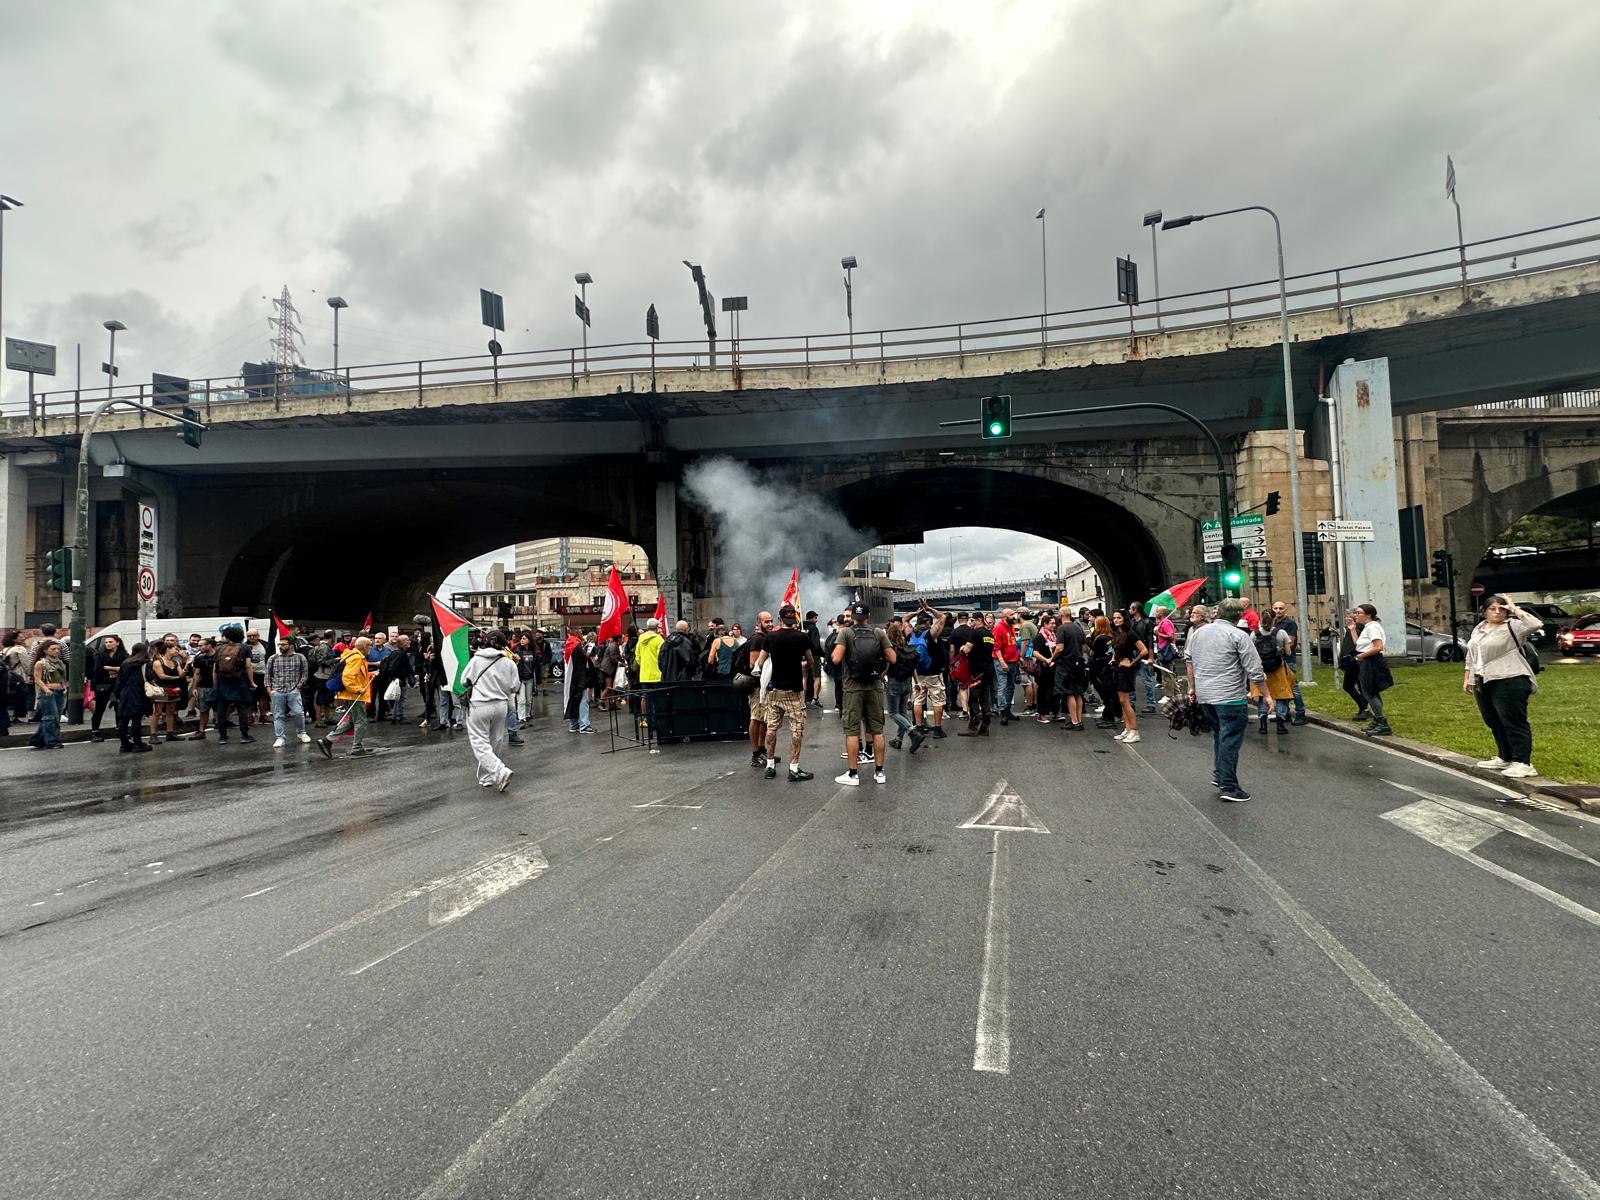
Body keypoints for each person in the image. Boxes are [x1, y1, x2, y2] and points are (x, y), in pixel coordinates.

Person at [1185, 599, 1267, 802]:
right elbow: (1255, 670)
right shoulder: (1239, 635)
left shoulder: (1199, 633)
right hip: (1230, 697)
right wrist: (1267, 695)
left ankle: (1220, 775)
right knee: (1229, 740)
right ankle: (1229, 786)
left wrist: (1192, 688)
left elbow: (1189, 661)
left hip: (1205, 696)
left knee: (1220, 736)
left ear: (1217, 613)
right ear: (1239, 616)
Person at [1464, 595, 1543, 779]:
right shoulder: (1479, 628)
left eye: (1501, 608)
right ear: (1484, 611)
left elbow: (1535, 624)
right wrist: (1468, 675)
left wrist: (1514, 608)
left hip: (1510, 678)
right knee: (1493, 720)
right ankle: (1505, 756)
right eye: (1492, 608)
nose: (1497, 612)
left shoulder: (1513, 626)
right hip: (1483, 679)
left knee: (1513, 720)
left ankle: (1523, 762)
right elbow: (1472, 653)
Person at [831, 603, 894, 785]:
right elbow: (893, 658)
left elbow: (835, 658)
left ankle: (852, 774)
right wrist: (881, 671)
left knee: (852, 730)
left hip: (852, 686)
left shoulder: (846, 633)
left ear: (853, 616)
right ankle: (880, 773)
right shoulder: (879, 633)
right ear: (868, 616)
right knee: (877, 729)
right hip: (874, 685)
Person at [753, 604, 816, 781]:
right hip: (794, 691)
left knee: (771, 729)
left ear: (780, 619)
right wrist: (801, 664)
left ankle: (770, 766)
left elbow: (759, 662)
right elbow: (810, 661)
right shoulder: (802, 637)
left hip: (774, 691)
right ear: (794, 619)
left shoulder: (770, 638)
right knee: (796, 731)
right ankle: (794, 769)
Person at [462, 629, 520, 791]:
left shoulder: (476, 660)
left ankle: (499, 771)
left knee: (480, 743)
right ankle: (487, 777)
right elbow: (515, 686)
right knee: (495, 740)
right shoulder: (509, 662)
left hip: (479, 704)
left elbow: (464, 680)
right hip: (501, 705)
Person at [318, 636, 374, 758]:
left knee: (351, 721)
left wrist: (370, 674)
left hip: (349, 694)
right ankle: (357, 747)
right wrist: (357, 689)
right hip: (354, 695)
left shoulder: (352, 656)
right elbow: (348, 677)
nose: (371, 648)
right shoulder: (357, 658)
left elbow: (356, 674)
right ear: (365, 647)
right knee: (361, 721)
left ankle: (327, 740)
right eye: (370, 645)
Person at [1350, 603, 1394, 737]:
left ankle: (1382, 722)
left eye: (1359, 613)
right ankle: (1377, 719)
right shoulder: (1367, 628)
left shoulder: (1372, 628)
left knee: (1369, 692)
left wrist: (1360, 656)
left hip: (1371, 662)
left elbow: (1378, 646)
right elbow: (1359, 645)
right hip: (1367, 661)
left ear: (1368, 615)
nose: (1356, 615)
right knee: (1370, 691)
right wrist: (1352, 629)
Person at [884, 615, 925, 753]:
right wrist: (917, 682)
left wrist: (881, 677)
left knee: (893, 713)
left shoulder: (890, 649)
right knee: (902, 712)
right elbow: (912, 666)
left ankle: (913, 732)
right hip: (907, 682)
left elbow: (887, 666)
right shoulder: (906, 647)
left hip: (894, 682)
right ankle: (898, 740)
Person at [1250, 615, 1296, 736]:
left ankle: (1263, 725)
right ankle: (1280, 725)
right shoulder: (1281, 633)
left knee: (1262, 696)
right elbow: (1288, 652)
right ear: (1274, 620)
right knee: (1281, 696)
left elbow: (1251, 652)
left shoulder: (1255, 634)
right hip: (1277, 668)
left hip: (1261, 669)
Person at [212, 625, 258, 744]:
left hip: (222, 682)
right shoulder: (245, 648)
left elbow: (215, 668)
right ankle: (244, 735)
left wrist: (215, 683)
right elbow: (248, 666)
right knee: (242, 708)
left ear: (227, 636)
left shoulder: (219, 649)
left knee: (222, 709)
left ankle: (222, 737)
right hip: (239, 681)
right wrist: (252, 682)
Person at [910, 602, 949, 739]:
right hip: (933, 672)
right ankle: (937, 728)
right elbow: (943, 618)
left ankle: (919, 727)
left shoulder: (911, 633)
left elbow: (903, 620)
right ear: (929, 623)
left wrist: (915, 613)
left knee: (918, 700)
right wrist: (930, 609)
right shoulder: (930, 634)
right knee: (938, 700)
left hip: (917, 673)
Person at [740, 611, 773, 768]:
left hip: (763, 685)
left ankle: (762, 750)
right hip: (756, 686)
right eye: (766, 621)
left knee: (763, 720)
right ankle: (755, 755)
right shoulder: (757, 639)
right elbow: (754, 664)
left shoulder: (764, 638)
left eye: (771, 621)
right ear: (759, 623)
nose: (770, 624)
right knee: (756, 718)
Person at [1109, 609, 1147, 743]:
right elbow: (1116, 649)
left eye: (1119, 618)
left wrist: (1131, 663)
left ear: (1124, 619)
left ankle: (1134, 730)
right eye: (1114, 618)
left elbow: (1144, 650)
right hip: (1118, 668)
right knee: (1122, 701)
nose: (1116, 620)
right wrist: (1114, 658)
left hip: (1126, 670)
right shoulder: (1117, 634)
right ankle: (1127, 728)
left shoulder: (1131, 634)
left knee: (1125, 701)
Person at [266, 635, 311, 748]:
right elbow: (267, 675)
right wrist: (270, 690)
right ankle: (280, 737)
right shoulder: (273, 658)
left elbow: (304, 674)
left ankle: (301, 732)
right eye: (279, 644)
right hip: (277, 690)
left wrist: (298, 687)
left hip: (293, 690)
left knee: (298, 713)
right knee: (278, 715)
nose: (280, 646)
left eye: (283, 644)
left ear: (291, 646)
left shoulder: (300, 657)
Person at [955, 612, 996, 736]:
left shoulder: (976, 633)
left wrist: (962, 648)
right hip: (989, 669)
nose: (970, 623)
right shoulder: (989, 634)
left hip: (977, 671)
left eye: (972, 620)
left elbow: (967, 649)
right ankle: (985, 727)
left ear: (979, 620)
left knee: (973, 698)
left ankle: (973, 727)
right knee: (985, 698)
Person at [1267, 601, 1308, 724]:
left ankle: (1301, 713)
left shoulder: (1289, 623)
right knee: (1281, 688)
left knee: (1293, 687)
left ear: (1285, 610)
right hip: (1276, 660)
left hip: (1288, 660)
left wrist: (1275, 643)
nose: (1278, 610)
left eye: (1280, 608)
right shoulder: (1272, 622)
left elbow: (1291, 641)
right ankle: (1285, 713)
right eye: (1275, 608)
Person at [28, 640, 68, 750]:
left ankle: (38, 740)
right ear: (45, 651)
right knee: (51, 717)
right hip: (48, 692)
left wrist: (64, 686)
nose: (56, 651)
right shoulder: (41, 663)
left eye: (57, 649)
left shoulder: (59, 662)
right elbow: (37, 678)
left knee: (55, 716)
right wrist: (46, 689)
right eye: (53, 649)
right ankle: (52, 741)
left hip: (59, 691)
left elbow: (61, 676)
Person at [1053, 607, 1088, 730]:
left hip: (1066, 663)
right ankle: (1079, 720)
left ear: (1061, 615)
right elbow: (1084, 647)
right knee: (1078, 692)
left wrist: (1052, 659)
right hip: (1078, 662)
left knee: (1069, 693)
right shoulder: (1078, 628)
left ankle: (1074, 721)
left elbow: (1059, 648)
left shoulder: (1061, 629)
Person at [115, 643, 155, 752]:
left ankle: (124, 745)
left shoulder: (125, 663)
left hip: (125, 693)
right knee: (136, 719)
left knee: (123, 720)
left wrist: (117, 694)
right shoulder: (145, 663)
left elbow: (119, 681)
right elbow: (150, 677)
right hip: (139, 693)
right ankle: (138, 744)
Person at [89, 634, 127, 741]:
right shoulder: (99, 654)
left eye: (110, 642)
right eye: (106, 642)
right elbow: (98, 669)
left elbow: (124, 668)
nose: (108, 644)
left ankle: (120, 730)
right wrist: (116, 669)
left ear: (117, 643)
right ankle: (95, 732)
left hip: (118, 684)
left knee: (118, 707)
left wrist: (109, 668)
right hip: (102, 684)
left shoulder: (123, 654)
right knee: (100, 708)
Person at [149, 640, 186, 744]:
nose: (177, 651)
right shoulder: (158, 662)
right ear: (168, 649)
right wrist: (177, 678)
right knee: (157, 712)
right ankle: (153, 734)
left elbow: (182, 675)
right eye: (175, 649)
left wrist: (186, 663)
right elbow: (161, 676)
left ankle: (170, 732)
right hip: (161, 688)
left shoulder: (175, 662)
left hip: (173, 688)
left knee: (170, 711)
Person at [1087, 615, 1117, 729]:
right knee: (1108, 693)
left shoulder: (1099, 638)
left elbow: (1092, 653)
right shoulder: (1110, 637)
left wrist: (1089, 639)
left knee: (1105, 694)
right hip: (1107, 666)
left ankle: (1110, 718)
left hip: (1099, 667)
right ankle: (1107, 715)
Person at [993, 608, 1021, 724]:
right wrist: (1001, 661)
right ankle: (1003, 711)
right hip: (1002, 661)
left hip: (1013, 660)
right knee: (1003, 686)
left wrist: (1019, 658)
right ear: (1004, 616)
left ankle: (1007, 709)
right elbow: (996, 647)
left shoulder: (1011, 627)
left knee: (1010, 686)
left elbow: (1013, 644)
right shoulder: (998, 628)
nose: (1014, 616)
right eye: (1011, 615)